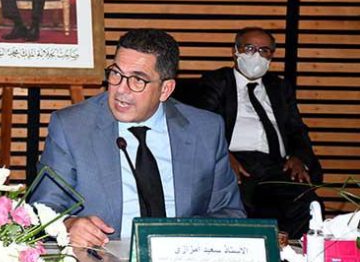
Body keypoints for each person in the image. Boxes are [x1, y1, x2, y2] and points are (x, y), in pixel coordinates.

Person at [31, 29, 245, 246]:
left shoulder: (205, 130)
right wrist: (68, 224)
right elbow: (43, 207)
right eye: (116, 74)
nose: (121, 90)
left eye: (137, 80)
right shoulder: (72, 127)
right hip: (105, 257)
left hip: (184, 255)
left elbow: (229, 213)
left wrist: (183, 237)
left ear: (165, 89)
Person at [196, 27, 322, 238]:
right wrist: (223, 156)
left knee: (306, 205)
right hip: (236, 162)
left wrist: (299, 157)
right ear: (235, 51)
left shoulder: (279, 87)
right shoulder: (217, 82)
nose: (256, 55)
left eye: (264, 50)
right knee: (239, 207)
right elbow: (202, 125)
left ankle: (291, 255)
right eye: (249, 48)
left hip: (276, 166)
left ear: (271, 55)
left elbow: (297, 130)